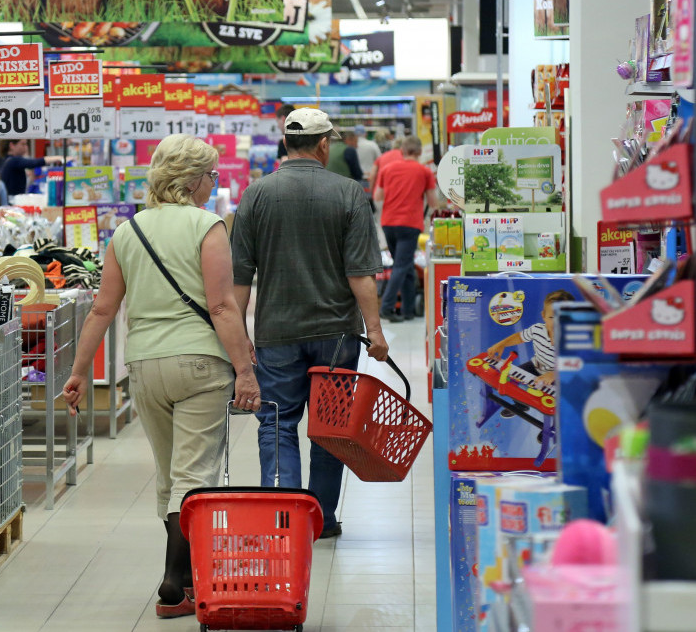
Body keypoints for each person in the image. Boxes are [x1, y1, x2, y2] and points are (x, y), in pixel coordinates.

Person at [62, 134, 259, 619]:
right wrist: (245, 371)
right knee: (194, 475)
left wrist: (79, 372)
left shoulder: (129, 232)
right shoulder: (208, 226)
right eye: (211, 176)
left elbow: (102, 309)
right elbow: (220, 305)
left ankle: (185, 579)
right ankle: (176, 582)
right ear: (193, 180)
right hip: (199, 363)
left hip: (145, 365)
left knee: (171, 474)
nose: (214, 184)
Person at [231, 108, 389, 539]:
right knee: (330, 426)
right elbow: (361, 274)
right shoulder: (349, 193)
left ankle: (282, 515)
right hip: (337, 334)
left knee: (277, 421)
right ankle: (321, 517)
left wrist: (239, 338)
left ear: (285, 144)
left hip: (276, 332)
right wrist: (374, 330)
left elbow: (239, 277)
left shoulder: (255, 195)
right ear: (323, 144)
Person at [374, 137, 439, 322]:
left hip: (388, 223)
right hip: (410, 224)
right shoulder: (424, 172)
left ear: (402, 151)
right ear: (419, 152)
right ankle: (386, 307)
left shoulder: (387, 169)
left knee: (405, 265)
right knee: (401, 266)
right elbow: (433, 202)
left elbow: (378, 196)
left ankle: (408, 309)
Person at [486, 289, 575, 386]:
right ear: (543, 316)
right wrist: (501, 344)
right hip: (535, 366)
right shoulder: (537, 329)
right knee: (509, 380)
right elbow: (520, 337)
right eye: (552, 317)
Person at [0, 139, 64, 199]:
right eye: (23, 144)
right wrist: (59, 158)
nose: (26, 147)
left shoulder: (9, 160)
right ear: (12, 145)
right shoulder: (13, 161)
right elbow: (34, 163)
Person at [352, 125, 381, 189]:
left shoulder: (351, 146)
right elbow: (380, 160)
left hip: (355, 179)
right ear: (365, 134)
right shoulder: (372, 145)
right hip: (370, 178)